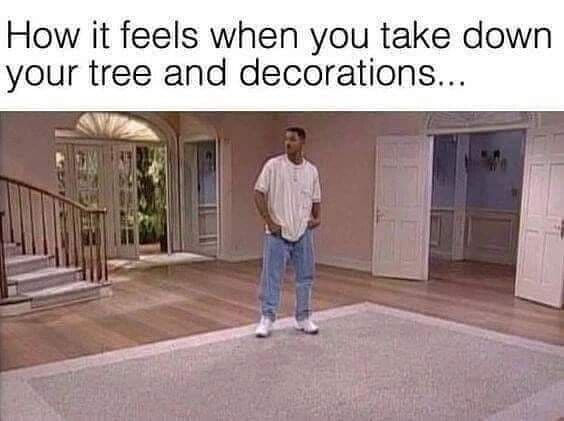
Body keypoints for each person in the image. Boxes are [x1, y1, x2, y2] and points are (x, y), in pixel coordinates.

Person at [253, 127, 321, 337]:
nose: (287, 143)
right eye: (286, 139)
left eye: (292, 139)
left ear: (302, 142)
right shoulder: (273, 166)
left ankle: (303, 317)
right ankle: (267, 317)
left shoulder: (311, 171)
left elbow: (316, 199)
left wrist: (317, 218)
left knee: (305, 276)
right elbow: (258, 193)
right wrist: (269, 221)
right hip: (277, 232)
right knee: (271, 276)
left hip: (302, 231)